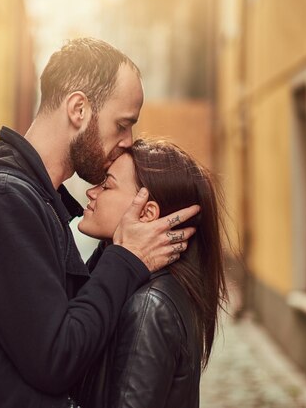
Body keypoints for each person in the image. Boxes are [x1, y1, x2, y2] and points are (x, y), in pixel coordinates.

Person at [0, 38, 199, 408]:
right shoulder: (4, 200)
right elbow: (55, 359)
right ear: (79, 109)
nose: (128, 141)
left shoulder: (35, 200)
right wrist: (127, 258)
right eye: (122, 124)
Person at [72, 139, 229, 408]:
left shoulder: (150, 306)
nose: (92, 192)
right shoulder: (142, 285)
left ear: (146, 212)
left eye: (107, 184)